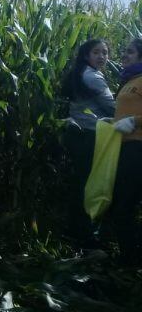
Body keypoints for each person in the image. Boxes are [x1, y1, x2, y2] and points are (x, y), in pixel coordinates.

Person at [61, 39, 115, 246]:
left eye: (105, 52)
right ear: (86, 55)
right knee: (88, 185)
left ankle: (74, 230)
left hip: (78, 134)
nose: (102, 56)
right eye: (96, 52)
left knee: (80, 183)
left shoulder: (81, 73)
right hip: (89, 136)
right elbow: (111, 108)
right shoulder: (92, 76)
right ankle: (84, 235)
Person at [110, 38, 142, 265]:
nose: (124, 55)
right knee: (123, 203)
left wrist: (135, 121)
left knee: (125, 204)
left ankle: (130, 260)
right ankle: (129, 256)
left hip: (138, 147)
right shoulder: (129, 80)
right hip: (125, 147)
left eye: (129, 52)